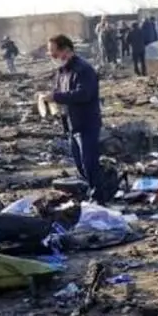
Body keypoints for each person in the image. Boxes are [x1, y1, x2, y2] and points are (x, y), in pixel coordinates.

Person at [39, 35, 107, 203]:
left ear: (66, 51)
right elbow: (60, 93)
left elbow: (84, 94)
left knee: (89, 163)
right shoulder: (62, 71)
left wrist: (56, 97)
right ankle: (91, 193)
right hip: (71, 124)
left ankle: (99, 198)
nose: (52, 57)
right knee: (80, 164)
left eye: (54, 53)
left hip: (87, 123)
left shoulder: (83, 69)